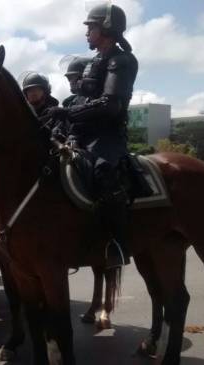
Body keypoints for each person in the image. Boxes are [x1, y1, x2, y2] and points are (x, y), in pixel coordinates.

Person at [48, 3, 138, 268]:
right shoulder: (95, 61)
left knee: (102, 172)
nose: (87, 32)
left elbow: (111, 104)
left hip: (107, 135)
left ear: (106, 28)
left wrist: (68, 114)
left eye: (91, 27)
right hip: (83, 133)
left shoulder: (121, 60)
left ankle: (118, 244)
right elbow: (83, 96)